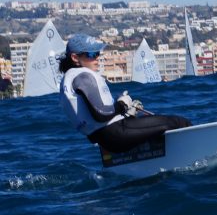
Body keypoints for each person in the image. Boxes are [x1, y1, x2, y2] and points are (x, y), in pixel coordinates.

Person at [59, 34, 191, 154]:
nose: (97, 58)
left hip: (105, 140)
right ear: (75, 57)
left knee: (153, 126)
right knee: (177, 122)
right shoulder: (83, 76)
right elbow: (101, 114)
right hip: (116, 133)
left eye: (98, 53)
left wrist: (127, 113)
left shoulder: (68, 79)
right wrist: (122, 105)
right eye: (92, 54)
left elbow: (97, 116)